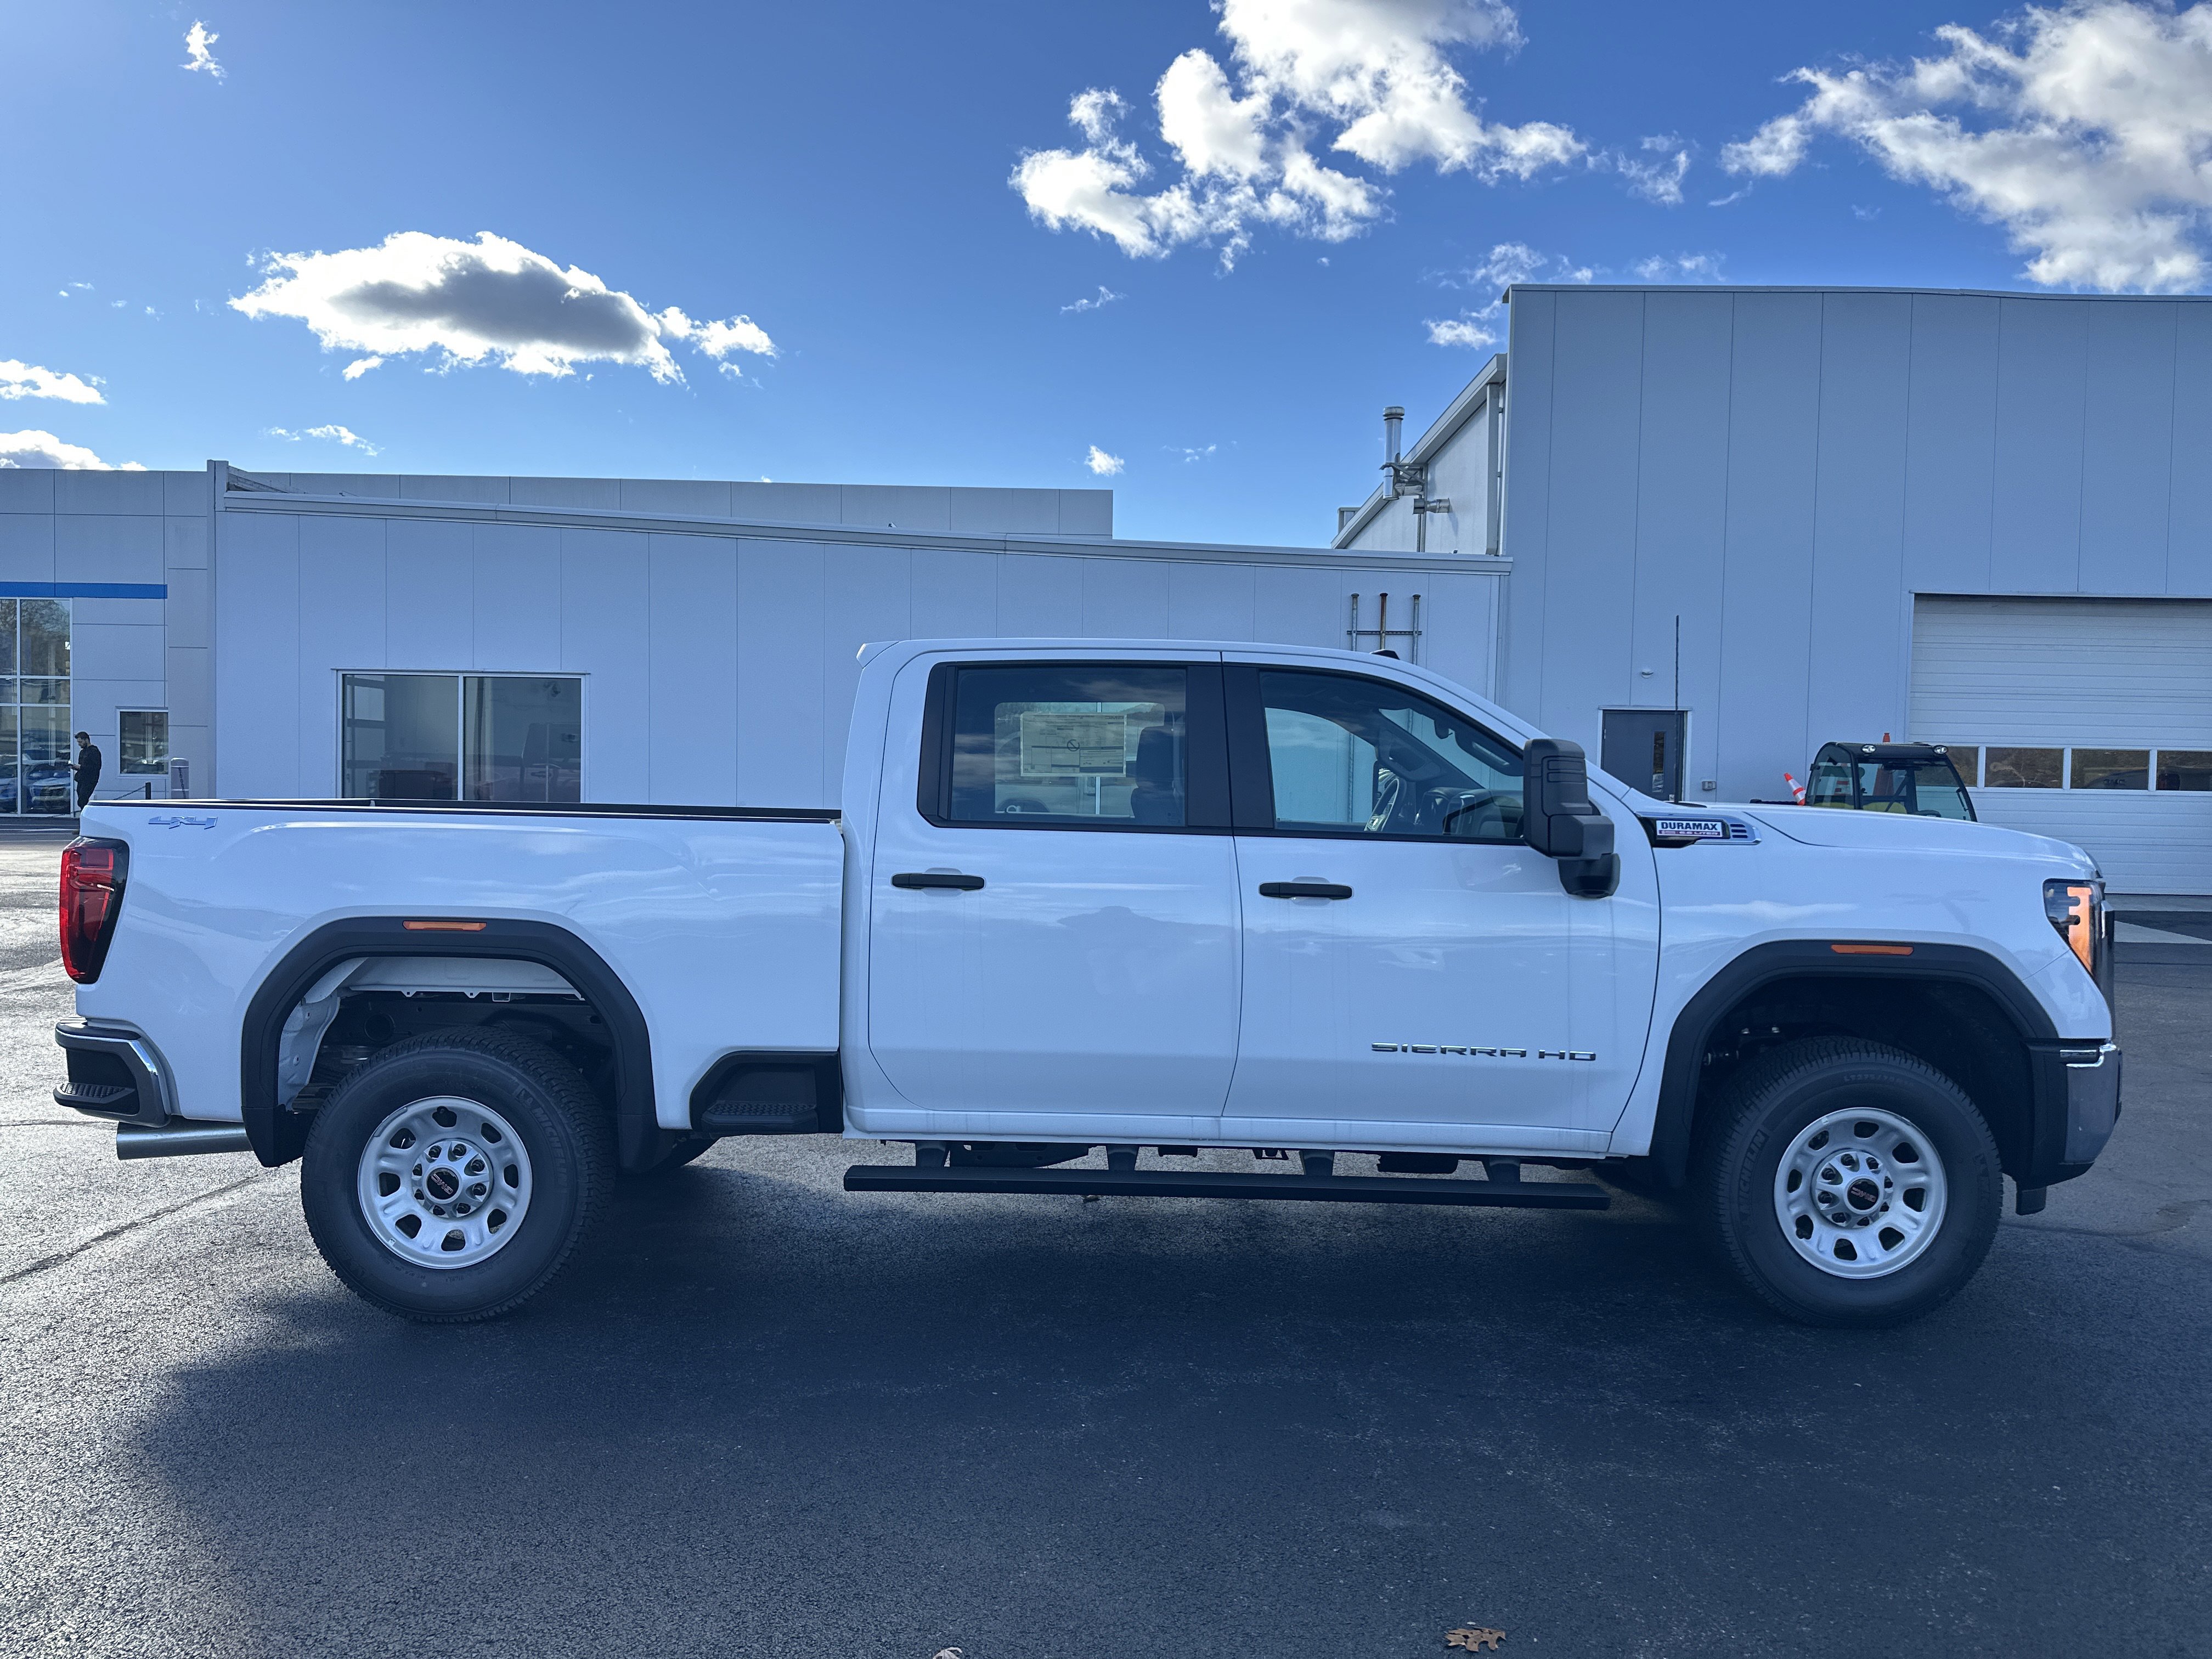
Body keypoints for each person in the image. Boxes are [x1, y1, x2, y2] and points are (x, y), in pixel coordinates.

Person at [72, 731, 101, 811]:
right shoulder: (83, 752)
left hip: (90, 779)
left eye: (81, 742)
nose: (79, 744)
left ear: (86, 740)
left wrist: (81, 767)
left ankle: (85, 813)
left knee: (83, 797)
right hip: (82, 778)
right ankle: (84, 811)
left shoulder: (94, 751)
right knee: (81, 797)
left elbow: (96, 767)